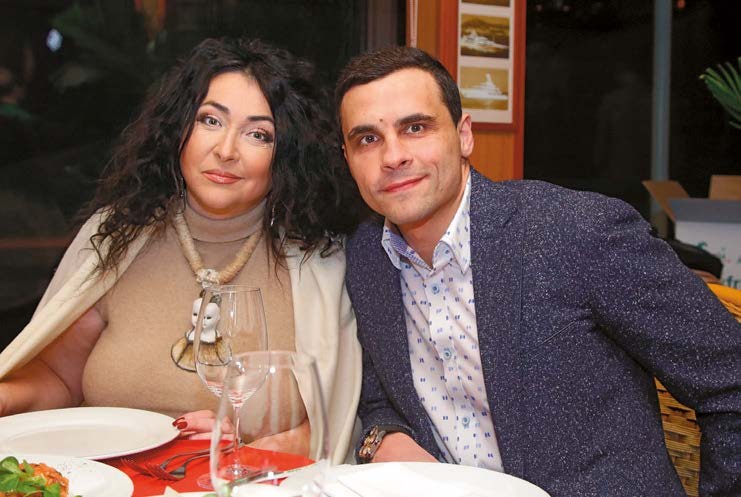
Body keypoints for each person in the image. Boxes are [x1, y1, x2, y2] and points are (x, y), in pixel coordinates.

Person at [336, 46, 741, 496]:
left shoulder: (577, 233)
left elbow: (732, 380)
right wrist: (383, 437)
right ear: (348, 158)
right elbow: (379, 395)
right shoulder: (366, 259)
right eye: (367, 139)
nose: (393, 156)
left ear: (464, 135)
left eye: (415, 128)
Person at [0, 37, 363, 464]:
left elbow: (337, 424)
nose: (225, 150)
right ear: (179, 130)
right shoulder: (117, 236)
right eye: (210, 120)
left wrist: (242, 456)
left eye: (258, 134)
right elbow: (59, 379)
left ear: (287, 153)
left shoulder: (321, 264)